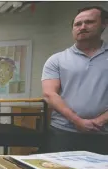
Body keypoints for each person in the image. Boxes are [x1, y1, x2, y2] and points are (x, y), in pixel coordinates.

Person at [41, 6, 108, 154]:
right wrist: (77, 121)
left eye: (89, 22)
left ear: (104, 24)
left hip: (104, 134)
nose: (82, 27)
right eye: (78, 24)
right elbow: (49, 94)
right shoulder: (57, 60)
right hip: (63, 132)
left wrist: (100, 121)